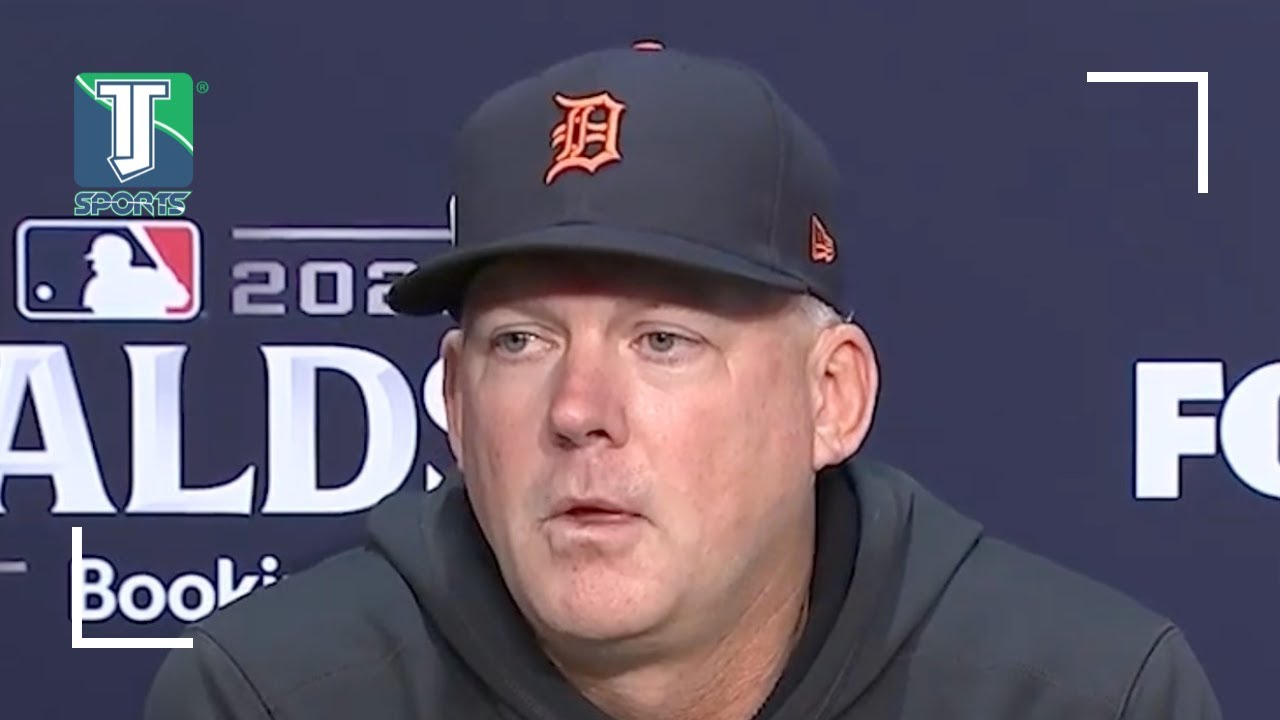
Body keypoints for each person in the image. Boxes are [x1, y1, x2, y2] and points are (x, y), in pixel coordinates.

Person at [144, 42, 1223, 720]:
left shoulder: (1084, 695)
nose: (578, 412)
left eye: (663, 341)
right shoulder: (271, 696)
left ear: (831, 398)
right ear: (456, 405)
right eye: (521, 343)